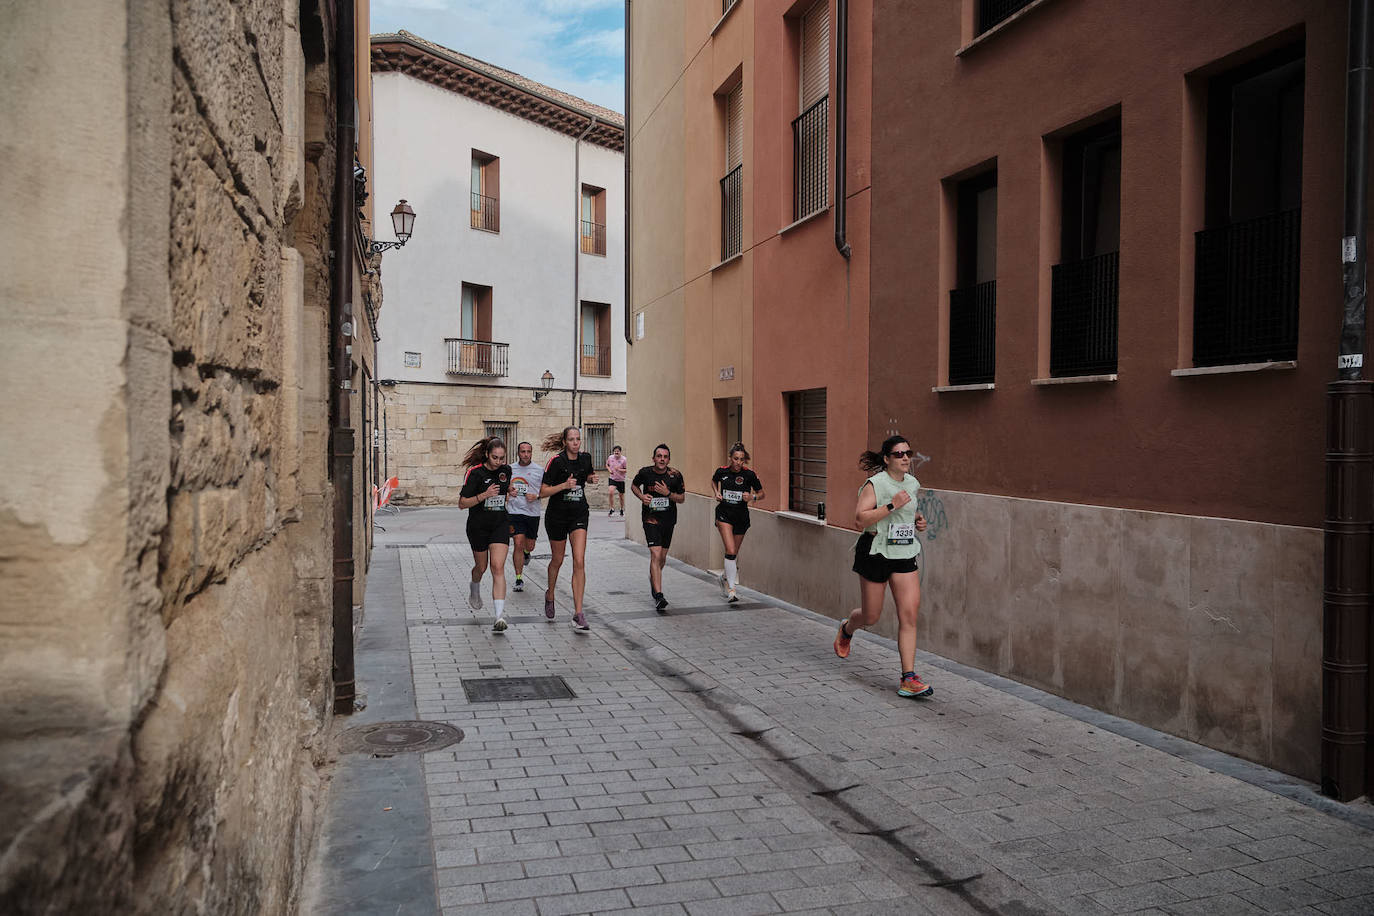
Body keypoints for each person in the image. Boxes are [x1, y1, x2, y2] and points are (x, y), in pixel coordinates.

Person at [832, 434, 933, 698]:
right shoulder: (875, 484)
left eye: (908, 453)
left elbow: (908, 515)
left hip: (903, 552)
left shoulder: (912, 483)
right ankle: (847, 628)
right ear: (887, 459)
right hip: (875, 551)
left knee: (909, 615)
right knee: (871, 616)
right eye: (899, 454)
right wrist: (891, 505)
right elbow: (859, 520)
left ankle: (908, 677)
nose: (905, 459)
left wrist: (918, 522)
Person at [539, 426, 597, 630]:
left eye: (578, 439)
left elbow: (588, 475)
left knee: (579, 560)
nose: (575, 442)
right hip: (557, 517)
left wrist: (591, 479)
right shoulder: (556, 462)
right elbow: (542, 491)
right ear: (564, 442)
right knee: (557, 559)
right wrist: (563, 486)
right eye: (571, 439)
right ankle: (550, 593)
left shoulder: (586, 458)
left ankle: (578, 614)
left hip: (579, 514)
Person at [457, 436, 513, 633]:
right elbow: (462, 503)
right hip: (478, 526)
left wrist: (509, 492)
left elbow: (503, 492)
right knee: (481, 567)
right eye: (495, 458)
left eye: (502, 458)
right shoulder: (475, 473)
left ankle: (499, 616)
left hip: (500, 524)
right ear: (487, 455)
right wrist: (484, 495)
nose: (499, 462)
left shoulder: (506, 471)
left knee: (497, 567)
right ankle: (474, 585)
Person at [630, 444, 686, 612]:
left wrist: (668, 493)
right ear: (653, 458)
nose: (662, 459)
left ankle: (654, 577)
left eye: (665, 456)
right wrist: (641, 497)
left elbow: (682, 498)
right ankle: (659, 596)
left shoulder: (675, 475)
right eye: (659, 456)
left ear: (668, 459)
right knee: (655, 553)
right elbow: (634, 486)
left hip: (668, 521)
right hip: (650, 519)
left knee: (661, 558)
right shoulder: (645, 473)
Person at [710, 442, 765, 604]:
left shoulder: (750, 475)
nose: (738, 462)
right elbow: (713, 481)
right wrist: (717, 492)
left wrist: (752, 497)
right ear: (730, 458)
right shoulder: (722, 471)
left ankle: (724, 578)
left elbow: (762, 493)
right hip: (724, 515)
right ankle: (732, 590)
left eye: (741, 459)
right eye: (735, 459)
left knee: (733, 555)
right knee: (731, 550)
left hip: (741, 517)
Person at [507, 441, 544, 593]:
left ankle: (527, 554)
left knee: (529, 546)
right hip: (515, 512)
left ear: (532, 453)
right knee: (518, 542)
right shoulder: (509, 469)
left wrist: (536, 496)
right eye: (523, 451)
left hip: (532, 513)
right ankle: (518, 578)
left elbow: (546, 490)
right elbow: (503, 486)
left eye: (528, 451)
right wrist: (509, 491)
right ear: (518, 453)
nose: (526, 454)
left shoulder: (539, 470)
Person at [606, 445, 628, 517]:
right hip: (613, 478)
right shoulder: (610, 457)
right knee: (610, 492)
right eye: (615, 451)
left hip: (621, 480)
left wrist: (619, 469)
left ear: (620, 452)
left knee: (621, 496)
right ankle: (612, 508)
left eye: (617, 451)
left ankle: (621, 509)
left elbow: (627, 470)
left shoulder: (624, 459)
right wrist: (610, 470)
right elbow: (607, 465)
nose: (616, 452)